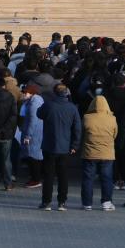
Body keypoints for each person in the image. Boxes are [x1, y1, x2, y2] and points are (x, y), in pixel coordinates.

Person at [37, 83, 82, 211]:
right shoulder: (72, 108)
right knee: (63, 175)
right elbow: (77, 128)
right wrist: (75, 145)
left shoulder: (49, 105)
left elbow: (39, 114)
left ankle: (46, 202)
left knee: (48, 175)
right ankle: (62, 202)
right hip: (65, 146)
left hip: (49, 145)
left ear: (54, 93)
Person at [80, 94, 118, 211]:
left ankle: (87, 203)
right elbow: (115, 134)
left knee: (88, 178)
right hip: (107, 154)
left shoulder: (86, 117)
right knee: (106, 178)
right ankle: (106, 203)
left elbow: (82, 133)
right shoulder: (112, 118)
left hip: (89, 153)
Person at [19, 84, 44, 188]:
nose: (23, 94)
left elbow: (32, 121)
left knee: (33, 157)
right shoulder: (35, 100)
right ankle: (35, 178)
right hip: (37, 132)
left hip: (33, 134)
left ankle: (35, 179)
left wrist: (28, 136)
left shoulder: (34, 103)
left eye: (25, 92)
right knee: (35, 156)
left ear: (31, 93)